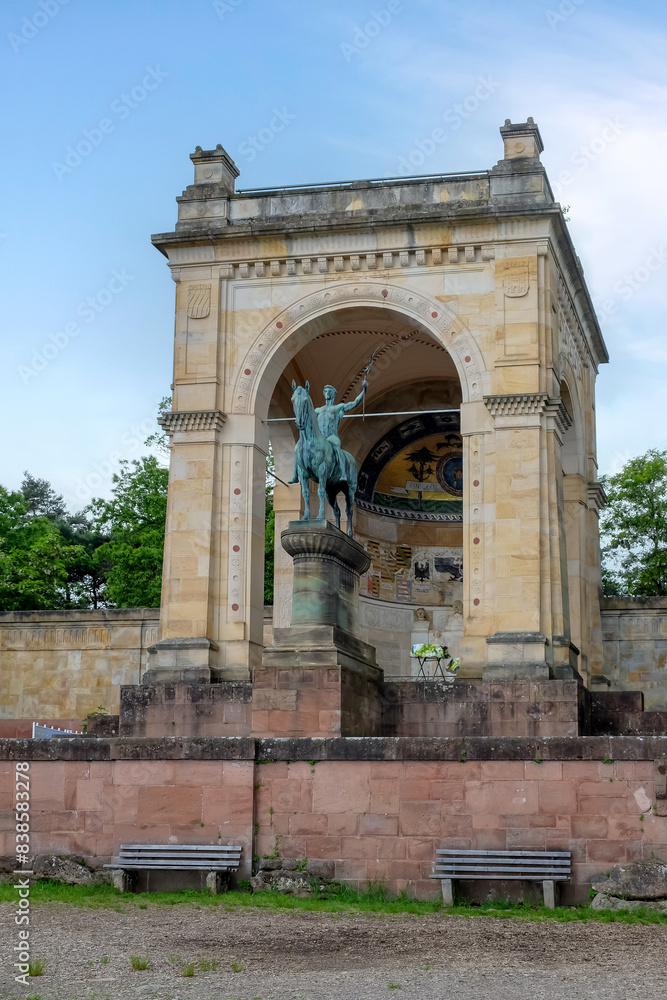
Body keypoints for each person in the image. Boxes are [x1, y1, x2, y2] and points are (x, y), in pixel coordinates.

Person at [315, 380, 367, 480]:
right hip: (320, 437)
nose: (326, 393)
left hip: (331, 436)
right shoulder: (318, 410)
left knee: (336, 446)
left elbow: (355, 403)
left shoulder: (338, 407)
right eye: (325, 391)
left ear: (333, 394)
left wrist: (364, 390)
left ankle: (343, 472)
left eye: (329, 391)